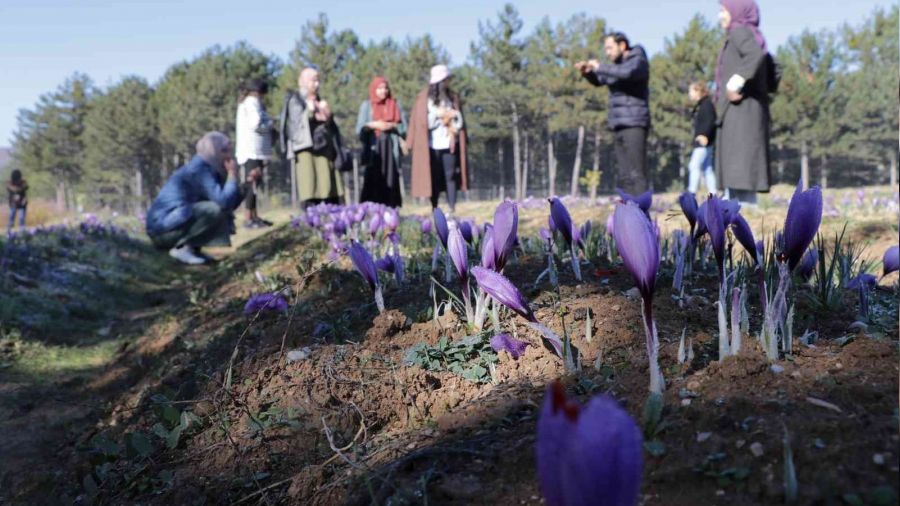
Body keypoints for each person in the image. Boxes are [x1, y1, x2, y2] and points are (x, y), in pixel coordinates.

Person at [146, 132, 243, 265]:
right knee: (213, 209)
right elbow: (224, 202)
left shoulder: (208, 168)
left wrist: (247, 186)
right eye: (224, 151)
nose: (228, 155)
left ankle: (193, 249)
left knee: (214, 209)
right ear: (213, 151)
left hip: (170, 228)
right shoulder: (200, 170)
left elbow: (229, 202)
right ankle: (182, 249)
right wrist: (232, 175)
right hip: (163, 233)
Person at [576, 32, 651, 195]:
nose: (607, 52)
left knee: (637, 173)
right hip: (618, 125)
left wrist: (599, 67)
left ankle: (643, 215)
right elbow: (600, 80)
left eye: (610, 48)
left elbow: (626, 73)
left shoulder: (638, 60)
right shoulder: (615, 67)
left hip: (635, 123)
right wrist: (588, 72)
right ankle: (630, 214)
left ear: (622, 45)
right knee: (625, 176)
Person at [715, 0, 772, 204]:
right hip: (745, 112)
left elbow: (754, 56)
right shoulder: (747, 34)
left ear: (737, 11)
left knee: (740, 169)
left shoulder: (740, 33)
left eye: (723, 11)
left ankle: (741, 220)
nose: (720, 16)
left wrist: (734, 83)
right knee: (740, 171)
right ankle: (738, 217)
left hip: (741, 112)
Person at [279, 67, 344, 209]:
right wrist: (310, 110)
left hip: (325, 149)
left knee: (328, 185)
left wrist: (327, 115)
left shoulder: (320, 100)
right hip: (306, 151)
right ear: (302, 81)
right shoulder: (295, 99)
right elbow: (295, 126)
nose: (317, 84)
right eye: (313, 80)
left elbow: (329, 124)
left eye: (318, 80)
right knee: (310, 186)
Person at [407, 64, 469, 214]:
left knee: (451, 175)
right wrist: (438, 115)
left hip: (449, 143)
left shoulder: (452, 97)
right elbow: (422, 124)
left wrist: (453, 116)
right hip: (431, 145)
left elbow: (460, 122)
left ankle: (452, 207)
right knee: (433, 177)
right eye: (446, 79)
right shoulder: (423, 99)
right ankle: (435, 207)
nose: (448, 82)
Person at [356, 76, 407, 208]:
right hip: (374, 148)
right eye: (379, 88)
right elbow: (360, 130)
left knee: (391, 178)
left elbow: (403, 128)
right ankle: (371, 210)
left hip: (390, 148)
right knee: (373, 178)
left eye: (385, 88)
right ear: (374, 89)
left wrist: (391, 126)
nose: (383, 91)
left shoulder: (395, 104)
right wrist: (374, 125)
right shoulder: (367, 106)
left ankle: (392, 210)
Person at [235, 78, 274, 224]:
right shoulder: (252, 102)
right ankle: (249, 218)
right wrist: (270, 124)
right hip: (252, 150)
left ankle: (254, 215)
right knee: (252, 184)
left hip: (253, 149)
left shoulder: (247, 102)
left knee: (255, 184)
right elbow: (256, 123)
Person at [687, 81, 717, 195]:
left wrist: (705, 135)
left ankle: (691, 192)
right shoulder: (701, 105)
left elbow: (710, 121)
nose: (689, 94)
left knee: (694, 165)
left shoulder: (706, 105)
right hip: (704, 142)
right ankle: (713, 194)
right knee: (707, 169)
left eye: (691, 91)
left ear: (698, 91)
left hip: (703, 142)